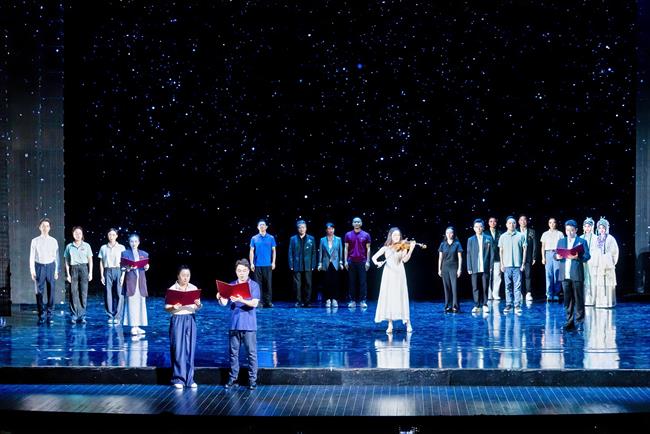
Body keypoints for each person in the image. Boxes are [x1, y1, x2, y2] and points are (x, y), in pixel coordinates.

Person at [217, 259, 260, 390]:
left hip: (249, 325)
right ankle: (233, 378)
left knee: (251, 353)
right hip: (234, 324)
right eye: (239, 271)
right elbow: (224, 303)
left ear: (248, 271)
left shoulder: (254, 285)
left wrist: (242, 300)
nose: (242, 273)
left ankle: (252, 380)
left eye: (244, 271)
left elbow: (254, 303)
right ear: (236, 271)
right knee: (233, 353)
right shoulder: (231, 285)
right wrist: (220, 297)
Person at [372, 228, 416, 333]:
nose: (396, 237)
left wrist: (411, 249)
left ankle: (408, 323)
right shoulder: (386, 248)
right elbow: (374, 258)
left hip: (399, 273)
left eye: (398, 235)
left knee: (401, 296)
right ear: (390, 236)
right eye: (394, 235)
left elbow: (405, 260)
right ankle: (390, 324)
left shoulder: (403, 247)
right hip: (388, 274)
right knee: (389, 297)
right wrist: (377, 263)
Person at [165, 265, 202, 389]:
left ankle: (189, 379)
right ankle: (178, 379)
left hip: (190, 319)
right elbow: (167, 308)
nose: (186, 278)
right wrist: (173, 307)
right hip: (178, 319)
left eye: (188, 275)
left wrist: (198, 304)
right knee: (178, 349)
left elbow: (197, 307)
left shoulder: (193, 288)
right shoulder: (172, 289)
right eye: (183, 275)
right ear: (178, 276)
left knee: (190, 349)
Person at [556, 220, 591, 331]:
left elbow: (587, 256)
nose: (569, 232)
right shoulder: (561, 241)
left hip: (576, 274)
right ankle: (569, 321)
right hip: (564, 274)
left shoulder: (582, 241)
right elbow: (555, 254)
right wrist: (557, 257)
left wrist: (577, 257)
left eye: (572, 230)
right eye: (567, 230)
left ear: (576, 230)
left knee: (579, 299)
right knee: (567, 300)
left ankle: (580, 322)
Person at [29, 218, 60, 324]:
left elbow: (57, 257)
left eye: (47, 226)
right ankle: (41, 315)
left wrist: (56, 271)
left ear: (50, 228)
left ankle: (50, 315)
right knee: (39, 292)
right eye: (43, 226)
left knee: (51, 292)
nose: (45, 228)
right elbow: (32, 257)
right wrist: (32, 270)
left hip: (50, 267)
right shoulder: (35, 241)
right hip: (39, 267)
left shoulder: (54, 241)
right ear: (39, 227)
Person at [120, 234, 150, 336]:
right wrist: (127, 268)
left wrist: (147, 267)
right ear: (129, 242)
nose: (134, 243)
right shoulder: (125, 253)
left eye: (136, 241)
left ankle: (138, 326)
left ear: (139, 242)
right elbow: (122, 267)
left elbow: (145, 266)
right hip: (131, 281)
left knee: (140, 303)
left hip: (140, 282)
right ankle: (133, 326)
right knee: (132, 304)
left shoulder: (144, 254)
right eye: (132, 241)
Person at [63, 226, 93, 324]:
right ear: (73, 234)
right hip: (73, 269)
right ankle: (74, 314)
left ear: (82, 234)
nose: (78, 235)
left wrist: (90, 272)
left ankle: (82, 315)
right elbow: (66, 261)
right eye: (76, 233)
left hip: (84, 268)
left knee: (83, 292)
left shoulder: (86, 245)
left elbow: (90, 260)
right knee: (73, 292)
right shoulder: (69, 246)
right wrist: (68, 274)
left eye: (79, 233)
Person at [498, 217, 527, 315]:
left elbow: (524, 250)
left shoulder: (521, 235)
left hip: (517, 265)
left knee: (517, 286)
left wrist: (523, 263)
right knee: (508, 286)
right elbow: (501, 251)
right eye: (509, 223)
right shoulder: (502, 236)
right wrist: (502, 264)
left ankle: (517, 305)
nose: (512, 225)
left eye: (513, 223)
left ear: (516, 224)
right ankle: (509, 304)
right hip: (507, 265)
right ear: (506, 225)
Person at [98, 228, 126, 325]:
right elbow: (101, 262)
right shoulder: (103, 248)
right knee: (108, 294)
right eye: (110, 234)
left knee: (119, 293)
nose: (111, 236)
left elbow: (124, 262)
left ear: (116, 236)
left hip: (118, 270)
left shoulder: (121, 247)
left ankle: (118, 316)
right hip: (108, 270)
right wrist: (102, 275)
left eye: (113, 235)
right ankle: (110, 315)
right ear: (107, 235)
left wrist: (123, 275)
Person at [466, 219, 494, 314]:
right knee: (475, 287)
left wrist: (491, 265)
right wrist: (469, 267)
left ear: (483, 228)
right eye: (476, 227)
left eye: (480, 226)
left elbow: (492, 253)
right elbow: (468, 254)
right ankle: (477, 305)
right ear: (474, 228)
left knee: (485, 286)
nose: (478, 228)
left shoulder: (488, 238)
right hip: (474, 267)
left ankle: (485, 304)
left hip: (485, 266)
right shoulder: (470, 240)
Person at [344, 217, 371, 309]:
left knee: (363, 282)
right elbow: (346, 248)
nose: (356, 223)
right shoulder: (348, 234)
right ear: (352, 223)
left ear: (361, 223)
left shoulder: (366, 235)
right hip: (351, 261)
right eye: (355, 222)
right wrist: (345, 261)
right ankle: (352, 301)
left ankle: (363, 301)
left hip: (362, 261)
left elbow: (368, 248)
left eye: (358, 222)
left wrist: (368, 261)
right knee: (352, 282)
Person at [288, 220, 317, 307]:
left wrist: (313, 264)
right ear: (298, 229)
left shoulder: (311, 238)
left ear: (306, 228)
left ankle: (307, 301)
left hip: (308, 264)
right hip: (297, 264)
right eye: (300, 227)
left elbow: (314, 252)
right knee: (297, 284)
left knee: (308, 283)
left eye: (303, 227)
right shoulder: (293, 239)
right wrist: (291, 264)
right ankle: (298, 301)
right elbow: (290, 252)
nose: (302, 229)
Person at [592, 218, 619, 308]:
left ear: (606, 228)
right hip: (599, 264)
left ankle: (609, 302)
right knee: (600, 283)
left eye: (603, 228)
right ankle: (600, 302)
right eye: (600, 228)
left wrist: (611, 261)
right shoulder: (597, 239)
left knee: (608, 283)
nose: (601, 230)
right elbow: (594, 251)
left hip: (608, 264)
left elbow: (615, 251)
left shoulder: (610, 238)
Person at [249, 219, 276, 308]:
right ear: (258, 227)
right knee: (258, 285)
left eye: (263, 225)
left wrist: (273, 262)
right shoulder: (254, 238)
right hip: (257, 265)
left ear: (266, 227)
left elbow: (274, 251)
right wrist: (251, 263)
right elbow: (251, 251)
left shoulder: (271, 238)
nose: (262, 226)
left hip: (268, 265)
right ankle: (259, 302)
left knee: (268, 284)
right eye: (260, 225)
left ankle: (268, 302)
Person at [438, 227, 463, 313]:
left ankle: (455, 306)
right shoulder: (442, 244)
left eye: (450, 232)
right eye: (447, 233)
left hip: (454, 267)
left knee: (454, 287)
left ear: (453, 234)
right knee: (446, 287)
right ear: (445, 234)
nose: (449, 234)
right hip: (445, 267)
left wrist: (459, 269)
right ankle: (447, 305)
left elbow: (460, 258)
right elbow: (440, 258)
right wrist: (439, 269)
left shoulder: (457, 244)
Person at [318, 222, 344, 308]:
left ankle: (335, 299)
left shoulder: (338, 239)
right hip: (326, 263)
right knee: (326, 282)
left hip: (335, 263)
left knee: (335, 282)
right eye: (329, 229)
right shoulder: (322, 240)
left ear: (334, 229)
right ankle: (328, 299)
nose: (330, 230)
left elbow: (340, 251)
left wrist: (341, 262)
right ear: (326, 230)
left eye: (332, 229)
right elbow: (320, 253)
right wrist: (320, 263)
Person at [540, 218, 564, 302]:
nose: (552, 224)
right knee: (549, 274)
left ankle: (556, 293)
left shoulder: (560, 234)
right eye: (550, 222)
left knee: (557, 274)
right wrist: (543, 257)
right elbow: (543, 247)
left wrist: (561, 255)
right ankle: (549, 294)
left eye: (554, 222)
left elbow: (562, 246)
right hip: (548, 254)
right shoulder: (545, 234)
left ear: (556, 223)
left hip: (557, 253)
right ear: (548, 224)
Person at [518, 215, 537, 302]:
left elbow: (534, 244)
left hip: (528, 256)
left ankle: (528, 293)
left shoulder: (531, 231)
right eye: (521, 220)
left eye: (524, 220)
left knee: (528, 275)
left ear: (527, 221)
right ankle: (519, 293)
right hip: (517, 257)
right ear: (519, 222)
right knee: (518, 276)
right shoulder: (515, 231)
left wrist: (534, 256)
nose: (523, 222)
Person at [580, 218, 598, 306]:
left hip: (592, 261)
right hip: (582, 261)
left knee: (592, 279)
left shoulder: (596, 238)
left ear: (592, 227)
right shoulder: (580, 238)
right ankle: (584, 299)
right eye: (585, 226)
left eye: (589, 226)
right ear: (583, 227)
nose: (587, 228)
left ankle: (593, 299)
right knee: (584, 279)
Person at [487, 217, 502, 300]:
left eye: (494, 221)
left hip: (497, 257)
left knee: (497, 276)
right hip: (487, 258)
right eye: (491, 221)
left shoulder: (500, 233)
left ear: (496, 222)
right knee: (488, 277)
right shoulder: (485, 233)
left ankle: (495, 294)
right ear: (488, 223)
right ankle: (489, 294)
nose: (493, 223)